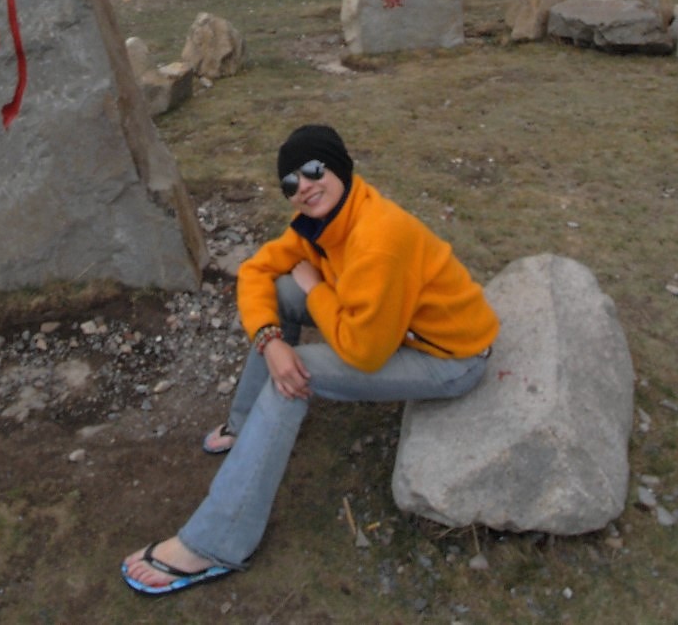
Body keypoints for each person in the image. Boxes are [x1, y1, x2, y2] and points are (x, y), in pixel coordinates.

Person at [121, 123, 499, 596]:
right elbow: (256, 269)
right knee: (280, 295)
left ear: (338, 167)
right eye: (289, 183)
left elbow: (364, 351)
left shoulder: (378, 236)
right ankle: (244, 426)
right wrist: (269, 340)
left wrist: (317, 292)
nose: (303, 187)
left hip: (449, 358)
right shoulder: (324, 224)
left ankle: (216, 542)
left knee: (295, 375)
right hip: (397, 330)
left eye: (313, 170)